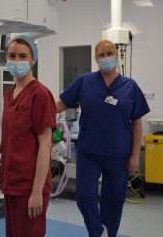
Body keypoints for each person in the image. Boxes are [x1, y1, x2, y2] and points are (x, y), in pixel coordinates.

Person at [55, 39, 150, 237]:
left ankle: (109, 233)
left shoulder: (130, 86)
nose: (106, 58)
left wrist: (134, 156)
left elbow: (137, 122)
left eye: (109, 53)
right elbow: (61, 104)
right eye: (101, 55)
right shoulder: (85, 81)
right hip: (89, 152)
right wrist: (37, 111)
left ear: (116, 55)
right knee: (84, 197)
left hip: (119, 155)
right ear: (96, 58)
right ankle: (97, 231)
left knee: (113, 201)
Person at [0, 35, 57, 237]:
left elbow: (45, 145)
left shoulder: (40, 94)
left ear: (32, 60)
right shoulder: (9, 93)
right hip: (11, 180)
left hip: (30, 184)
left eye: (23, 56)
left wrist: (37, 192)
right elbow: (14, 139)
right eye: (12, 55)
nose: (17, 60)